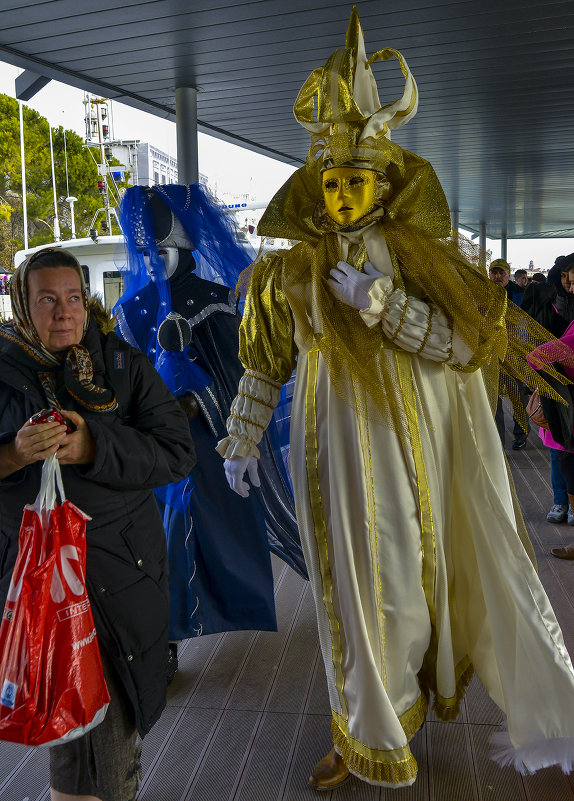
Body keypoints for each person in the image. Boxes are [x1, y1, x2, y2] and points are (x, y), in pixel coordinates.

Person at [218, 8, 574, 790]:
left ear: (384, 184)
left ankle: (404, 704)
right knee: (348, 589)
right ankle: (362, 732)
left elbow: (463, 347)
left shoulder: (421, 259)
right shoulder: (286, 273)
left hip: (414, 447)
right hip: (329, 448)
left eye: (356, 181)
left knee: (410, 584)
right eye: (331, 182)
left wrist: (384, 302)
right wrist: (242, 439)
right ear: (315, 187)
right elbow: (265, 361)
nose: (342, 196)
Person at [0, 247, 195, 801]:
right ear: (22, 304)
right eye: (46, 300)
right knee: (71, 725)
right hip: (39, 584)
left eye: (72, 299)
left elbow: (175, 452)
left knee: (112, 728)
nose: (64, 312)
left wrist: (94, 446)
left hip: (120, 571)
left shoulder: (120, 365)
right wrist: (14, 454)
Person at [115, 184, 305, 648]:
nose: (153, 261)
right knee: (156, 543)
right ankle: (168, 637)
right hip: (152, 452)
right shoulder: (130, 310)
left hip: (208, 444)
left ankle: (183, 629)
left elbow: (243, 374)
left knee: (209, 536)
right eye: (145, 252)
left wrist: (194, 395)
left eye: (161, 250)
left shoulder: (217, 300)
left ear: (182, 246)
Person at [522, 259, 574, 523]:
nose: (569, 283)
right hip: (557, 389)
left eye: (573, 278)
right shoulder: (547, 303)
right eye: (565, 276)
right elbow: (536, 348)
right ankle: (561, 501)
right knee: (559, 448)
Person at [490, 259, 530, 449]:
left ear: (508, 274)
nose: (497, 277)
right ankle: (497, 441)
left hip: (515, 353)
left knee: (518, 397)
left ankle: (521, 434)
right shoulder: (483, 292)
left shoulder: (520, 294)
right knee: (494, 398)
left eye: (501, 273)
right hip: (492, 354)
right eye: (493, 273)